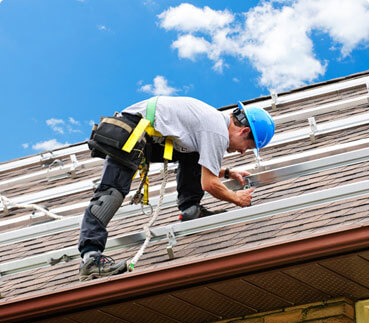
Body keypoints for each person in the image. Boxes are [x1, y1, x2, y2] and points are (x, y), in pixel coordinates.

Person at [78, 96, 275, 281]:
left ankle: (191, 209)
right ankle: (90, 259)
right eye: (247, 147)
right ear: (244, 131)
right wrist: (236, 198)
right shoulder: (217, 131)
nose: (241, 152)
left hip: (146, 133)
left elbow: (203, 162)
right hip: (132, 131)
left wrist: (227, 172)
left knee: (192, 155)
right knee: (110, 194)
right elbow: (209, 184)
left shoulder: (213, 122)